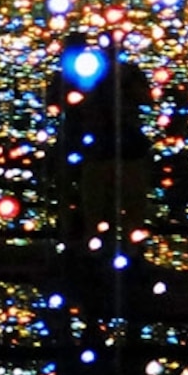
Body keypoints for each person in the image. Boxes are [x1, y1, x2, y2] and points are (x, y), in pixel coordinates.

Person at [48, 33, 150, 261]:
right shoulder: (96, 73)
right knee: (111, 206)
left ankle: (101, 250)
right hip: (108, 148)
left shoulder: (117, 73)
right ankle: (109, 251)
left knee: (102, 205)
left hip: (108, 148)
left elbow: (144, 97)